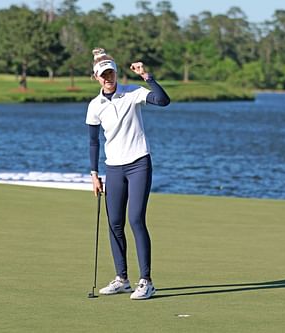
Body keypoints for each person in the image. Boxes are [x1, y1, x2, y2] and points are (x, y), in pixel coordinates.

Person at [85, 48, 170, 300]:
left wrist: (147, 76)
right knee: (114, 223)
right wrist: (94, 174)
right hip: (113, 168)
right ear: (96, 77)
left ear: (116, 73)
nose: (108, 77)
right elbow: (93, 142)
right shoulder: (94, 106)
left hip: (138, 163)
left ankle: (146, 281)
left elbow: (163, 101)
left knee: (135, 219)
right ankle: (122, 278)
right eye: (103, 74)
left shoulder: (132, 93)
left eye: (111, 72)